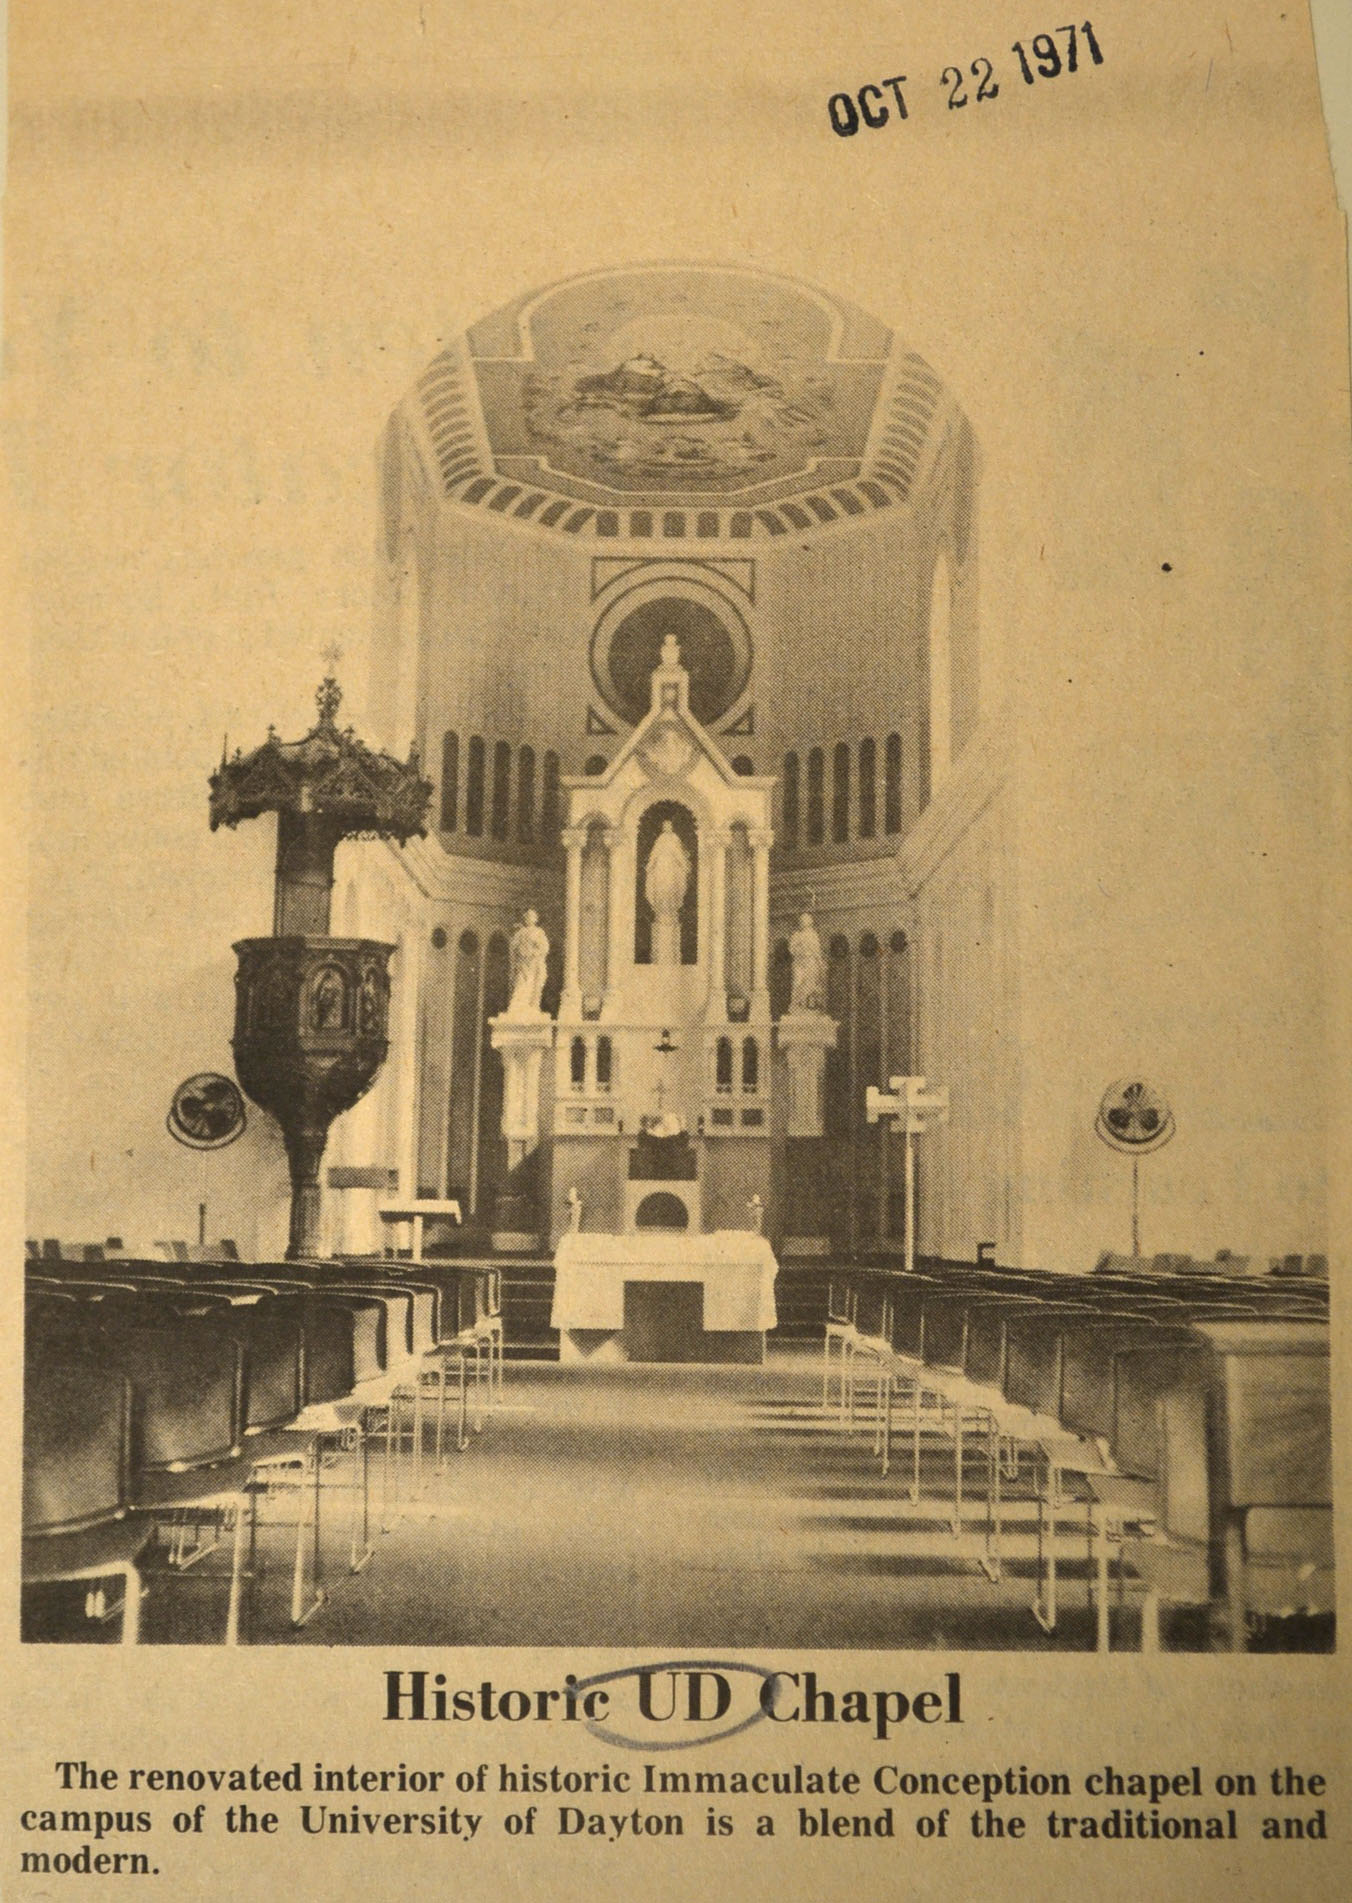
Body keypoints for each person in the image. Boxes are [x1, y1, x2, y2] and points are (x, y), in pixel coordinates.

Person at [643, 818, 691, 965]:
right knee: (660, 891)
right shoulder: (660, 839)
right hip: (661, 869)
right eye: (664, 825)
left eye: (669, 825)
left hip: (672, 871)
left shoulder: (675, 839)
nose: (666, 827)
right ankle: (662, 909)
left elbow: (679, 855)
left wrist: (684, 864)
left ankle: (670, 908)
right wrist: (651, 865)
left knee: (671, 891)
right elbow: (654, 855)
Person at [507, 908, 550, 1015]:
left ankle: (533, 1007)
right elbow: (513, 947)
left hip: (535, 963)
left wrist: (535, 952)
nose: (529, 918)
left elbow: (545, 948)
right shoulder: (520, 932)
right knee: (521, 985)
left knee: (535, 986)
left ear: (536, 919)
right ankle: (519, 1007)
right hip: (523, 964)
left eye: (531, 916)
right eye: (527, 916)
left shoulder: (539, 932)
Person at [789, 910, 826, 1011]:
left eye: (806, 920)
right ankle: (797, 1005)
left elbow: (817, 951)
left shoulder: (813, 935)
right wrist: (800, 951)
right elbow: (792, 949)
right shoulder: (796, 935)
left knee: (810, 983)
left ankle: (808, 1006)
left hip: (811, 961)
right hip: (800, 962)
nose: (803, 922)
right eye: (802, 920)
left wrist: (820, 963)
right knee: (798, 982)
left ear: (810, 922)